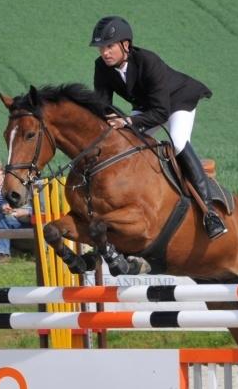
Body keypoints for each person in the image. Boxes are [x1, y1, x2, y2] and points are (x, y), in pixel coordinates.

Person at [89, 16, 226, 239]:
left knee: (178, 142)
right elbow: (102, 105)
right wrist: (108, 118)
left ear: (125, 45)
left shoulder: (147, 61)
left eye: (109, 46)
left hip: (177, 102)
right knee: (124, 143)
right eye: (101, 48)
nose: (104, 53)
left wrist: (128, 121)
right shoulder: (101, 67)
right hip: (147, 108)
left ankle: (209, 212)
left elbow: (161, 113)